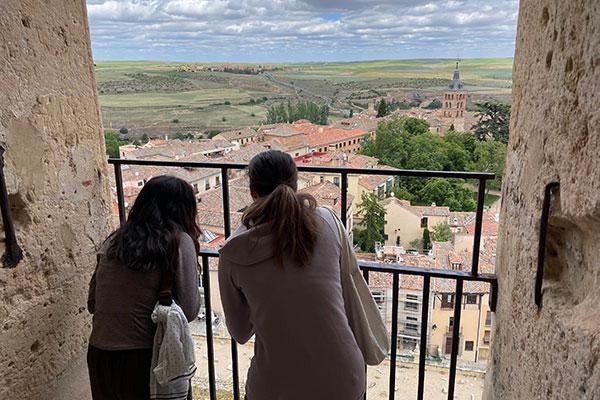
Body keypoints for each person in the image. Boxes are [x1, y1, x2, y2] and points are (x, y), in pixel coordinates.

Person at [218, 150, 366, 400]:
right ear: (296, 184)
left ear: (253, 191)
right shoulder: (328, 221)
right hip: (344, 378)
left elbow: (240, 332)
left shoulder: (233, 252)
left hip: (278, 384)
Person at [87, 175, 201, 400]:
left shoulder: (113, 241)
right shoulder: (179, 242)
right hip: (146, 359)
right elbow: (188, 310)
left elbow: (92, 303)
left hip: (100, 354)